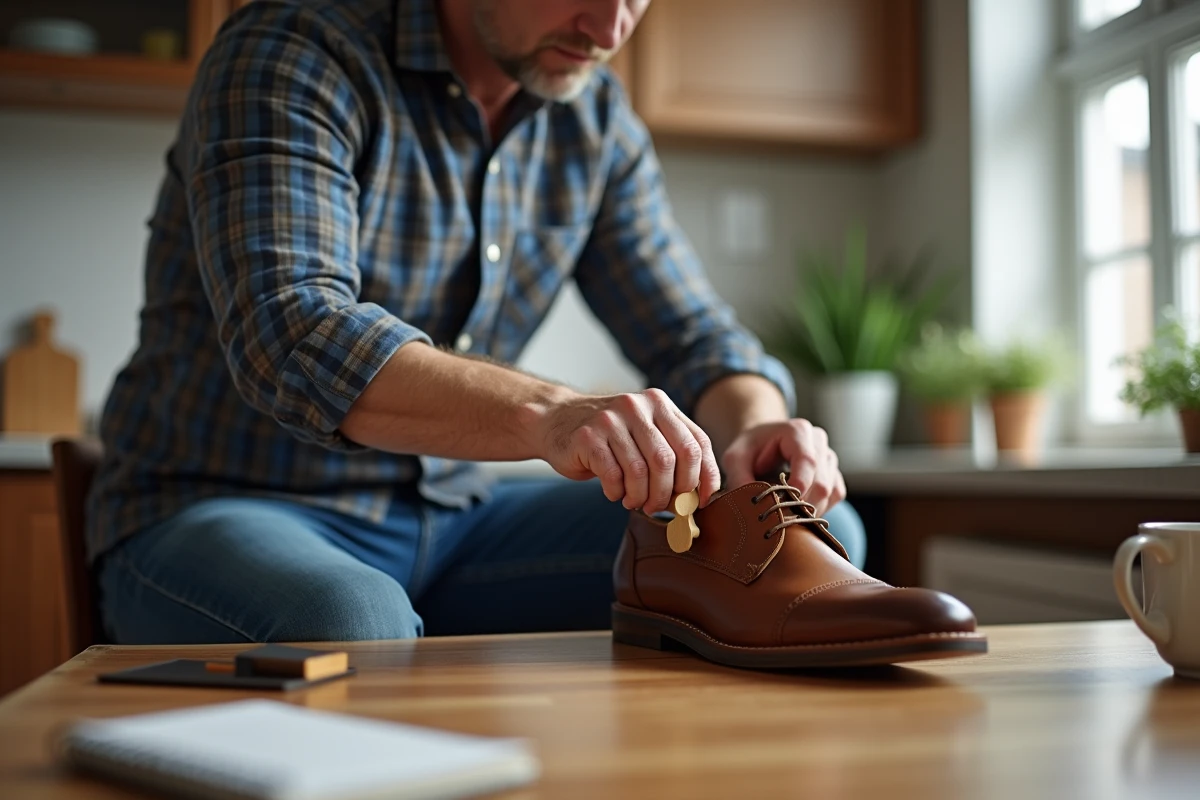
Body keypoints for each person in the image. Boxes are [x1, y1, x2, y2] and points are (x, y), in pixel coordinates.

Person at [88, 0, 865, 644]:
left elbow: (694, 337)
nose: (608, 29)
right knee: (351, 617)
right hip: (223, 509)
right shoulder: (296, 46)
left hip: (460, 524)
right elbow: (293, 333)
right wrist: (555, 414)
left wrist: (759, 430)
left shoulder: (595, 120)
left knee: (793, 556)